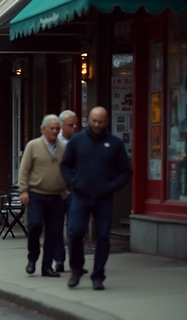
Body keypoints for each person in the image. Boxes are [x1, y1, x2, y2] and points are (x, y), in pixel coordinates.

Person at [59, 106, 131, 290]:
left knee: (102, 237)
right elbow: (65, 165)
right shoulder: (77, 140)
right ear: (89, 121)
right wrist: (73, 181)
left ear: (106, 122)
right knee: (75, 232)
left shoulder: (114, 143)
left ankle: (98, 275)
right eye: (94, 121)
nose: (97, 125)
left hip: (104, 198)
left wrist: (113, 186)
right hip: (80, 197)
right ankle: (76, 268)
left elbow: (126, 170)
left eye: (101, 121)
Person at [17, 115, 67, 278]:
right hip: (36, 195)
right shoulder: (33, 146)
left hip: (56, 196)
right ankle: (32, 258)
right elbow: (24, 170)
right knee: (35, 226)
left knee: (53, 232)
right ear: (43, 129)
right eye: (51, 128)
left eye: (57, 129)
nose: (55, 131)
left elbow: (68, 169)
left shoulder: (63, 148)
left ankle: (47, 267)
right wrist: (23, 190)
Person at [52, 110, 81, 272]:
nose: (75, 128)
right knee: (56, 227)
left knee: (75, 228)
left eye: (76, 124)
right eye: (71, 125)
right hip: (57, 191)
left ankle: (75, 260)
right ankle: (59, 260)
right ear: (62, 126)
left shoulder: (80, 141)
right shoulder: (53, 142)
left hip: (75, 192)